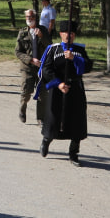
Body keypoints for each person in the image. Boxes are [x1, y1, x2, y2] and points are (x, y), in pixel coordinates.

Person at [35, 20, 93, 165]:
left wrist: (74, 58)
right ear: (61, 34)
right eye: (66, 33)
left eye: (71, 33)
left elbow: (88, 66)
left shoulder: (79, 50)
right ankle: (46, 140)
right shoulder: (53, 49)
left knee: (76, 120)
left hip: (75, 90)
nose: (69, 36)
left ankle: (73, 153)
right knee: (54, 118)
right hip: (57, 90)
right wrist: (59, 83)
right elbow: (46, 69)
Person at [15, 9, 45, 123]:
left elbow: (49, 45)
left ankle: (40, 118)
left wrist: (42, 36)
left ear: (35, 18)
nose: (29, 19)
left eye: (31, 16)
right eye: (27, 17)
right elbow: (18, 52)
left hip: (41, 67)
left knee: (42, 93)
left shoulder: (43, 30)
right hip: (27, 67)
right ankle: (22, 110)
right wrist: (31, 60)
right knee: (26, 92)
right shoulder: (22, 33)